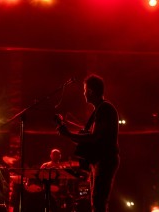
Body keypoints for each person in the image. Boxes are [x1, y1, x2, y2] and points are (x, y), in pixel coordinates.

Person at [57, 74, 120, 212]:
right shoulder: (101, 109)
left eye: (85, 90)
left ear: (90, 91)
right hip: (100, 160)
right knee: (97, 200)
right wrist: (71, 135)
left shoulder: (104, 109)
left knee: (98, 201)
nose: (84, 93)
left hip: (105, 160)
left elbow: (94, 138)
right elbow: (93, 139)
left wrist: (68, 134)